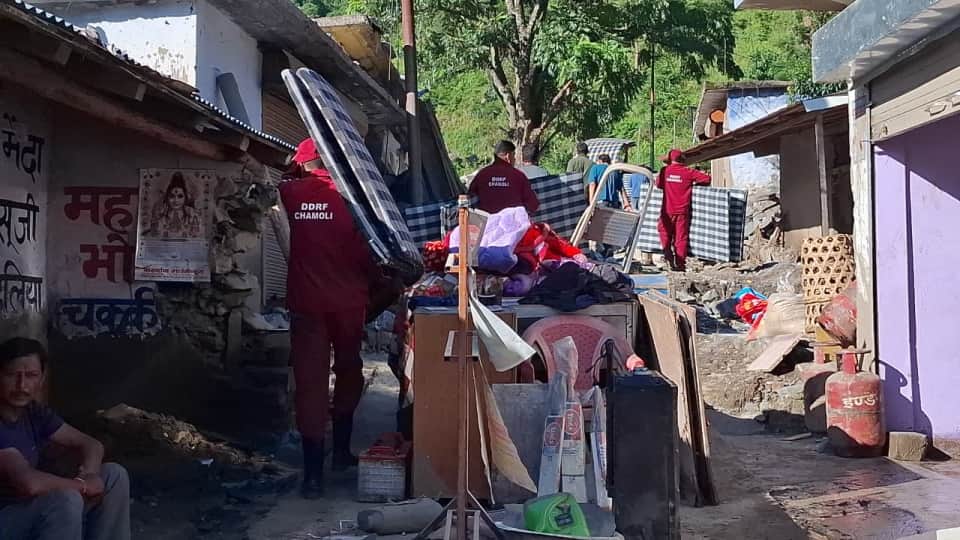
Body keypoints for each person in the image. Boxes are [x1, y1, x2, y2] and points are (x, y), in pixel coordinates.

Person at [279, 138, 378, 498]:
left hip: (307, 305)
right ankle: (340, 454)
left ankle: (311, 477)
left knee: (310, 384)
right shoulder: (354, 198)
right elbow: (372, 252)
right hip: (349, 301)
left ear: (304, 163)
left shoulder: (291, 194)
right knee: (349, 370)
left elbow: (281, 179)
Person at [0, 337, 130, 540]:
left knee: (114, 475)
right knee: (66, 500)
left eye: (31, 375)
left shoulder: (33, 412)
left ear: (42, 379)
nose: (22, 385)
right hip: (6, 519)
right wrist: (83, 486)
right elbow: (28, 482)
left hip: (30, 509)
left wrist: (90, 473)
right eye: (11, 375)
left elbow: (91, 444)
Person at [656, 148, 711, 271]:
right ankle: (680, 265)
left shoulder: (665, 171)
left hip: (667, 211)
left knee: (664, 232)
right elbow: (707, 179)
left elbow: (658, 184)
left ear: (670, 160)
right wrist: (693, 184)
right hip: (682, 211)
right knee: (680, 238)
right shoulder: (688, 172)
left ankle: (668, 257)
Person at [468, 140, 540, 214]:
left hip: (488, 223)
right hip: (513, 223)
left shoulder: (482, 175)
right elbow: (533, 205)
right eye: (514, 155)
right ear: (508, 156)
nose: (514, 159)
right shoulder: (518, 175)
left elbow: (469, 198)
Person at [148, 172, 203, 239]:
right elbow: (154, 234)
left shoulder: (191, 212)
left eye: (180, 196)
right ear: (167, 197)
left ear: (185, 197)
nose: (176, 200)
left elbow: (197, 235)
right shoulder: (161, 210)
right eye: (172, 196)